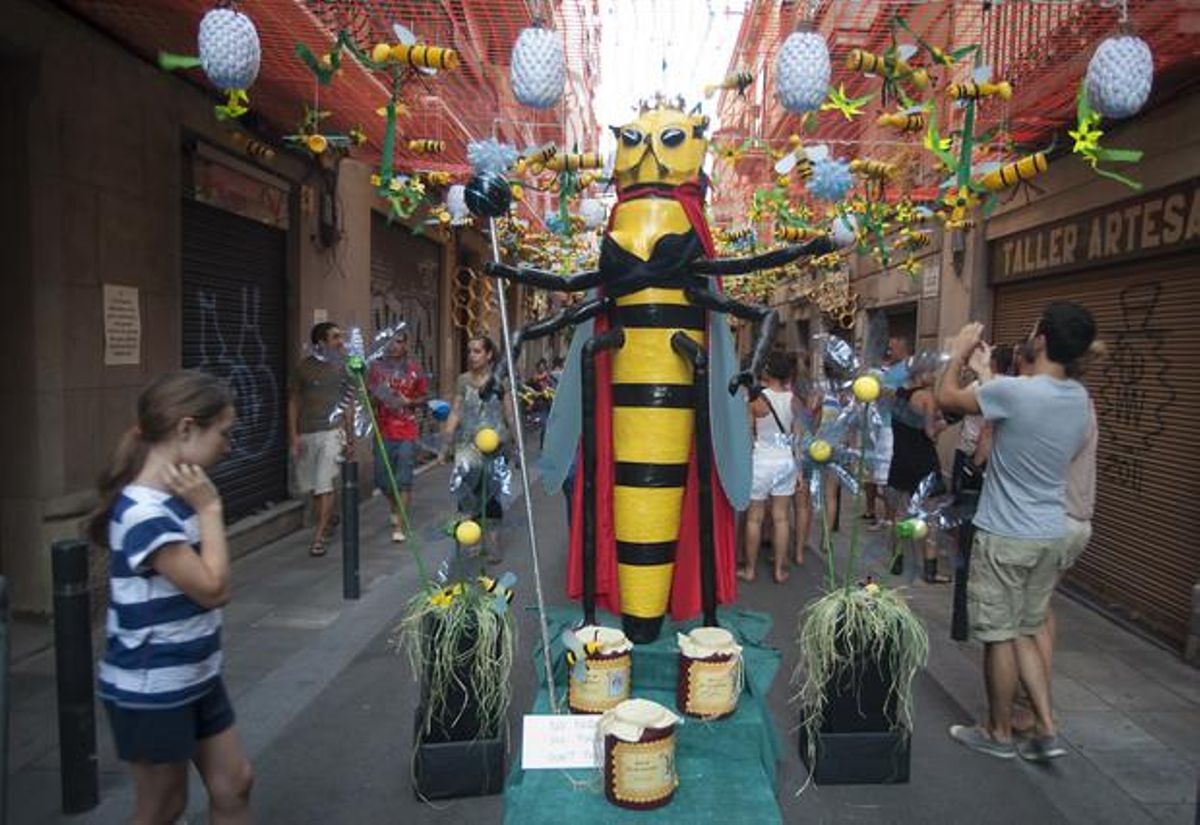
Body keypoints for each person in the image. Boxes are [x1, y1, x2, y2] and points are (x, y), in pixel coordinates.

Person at [87, 371, 253, 824]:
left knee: (234, 783)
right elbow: (213, 589)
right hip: (153, 686)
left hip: (196, 674)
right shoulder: (144, 513)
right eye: (224, 432)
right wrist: (210, 509)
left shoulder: (177, 499)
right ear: (185, 429)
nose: (229, 444)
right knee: (163, 806)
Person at [937, 302, 1096, 763]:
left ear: (1042, 339)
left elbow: (948, 398)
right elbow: (1017, 408)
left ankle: (999, 731)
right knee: (1028, 628)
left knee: (1000, 636)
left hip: (1006, 531)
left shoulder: (1017, 392)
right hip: (1049, 529)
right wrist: (987, 373)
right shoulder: (1078, 399)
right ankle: (1046, 726)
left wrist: (958, 353)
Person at [440, 335, 515, 563]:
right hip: (467, 444)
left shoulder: (500, 380)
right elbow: (455, 411)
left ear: (489, 354)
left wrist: (517, 445)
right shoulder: (463, 381)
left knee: (491, 496)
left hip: (496, 446)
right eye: (470, 351)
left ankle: (491, 543)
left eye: (477, 351)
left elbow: (509, 413)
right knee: (467, 493)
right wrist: (446, 442)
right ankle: (472, 541)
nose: (472, 356)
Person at [288, 322, 348, 557]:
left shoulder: (342, 368)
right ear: (321, 343)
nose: (340, 341)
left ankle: (319, 536)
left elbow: (348, 402)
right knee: (313, 487)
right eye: (335, 337)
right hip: (307, 432)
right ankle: (329, 518)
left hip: (332, 432)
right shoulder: (304, 369)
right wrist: (293, 436)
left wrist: (350, 437)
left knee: (324, 485)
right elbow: (293, 402)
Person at [887, 369, 949, 582]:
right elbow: (930, 433)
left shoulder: (899, 396)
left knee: (900, 514)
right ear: (922, 374)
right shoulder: (927, 397)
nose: (934, 375)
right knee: (930, 516)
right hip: (923, 462)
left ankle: (897, 560)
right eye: (931, 371)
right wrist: (943, 425)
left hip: (901, 459)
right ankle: (930, 571)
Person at [741, 352, 797, 584]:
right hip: (785, 461)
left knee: (754, 518)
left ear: (768, 372)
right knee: (781, 518)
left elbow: (748, 435)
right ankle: (779, 570)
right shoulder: (795, 400)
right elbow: (797, 438)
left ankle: (750, 569)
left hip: (761, 460)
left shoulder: (756, 400)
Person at [367, 329, 428, 543]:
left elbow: (423, 398)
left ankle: (400, 525)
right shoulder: (375, 370)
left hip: (406, 431)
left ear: (405, 345)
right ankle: (394, 506)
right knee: (382, 479)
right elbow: (368, 398)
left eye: (399, 342)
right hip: (383, 431)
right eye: (390, 342)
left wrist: (409, 402)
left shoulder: (414, 370)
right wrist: (377, 399)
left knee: (403, 480)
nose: (394, 346)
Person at [864, 335, 909, 530]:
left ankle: (893, 518)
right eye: (887, 348)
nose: (889, 352)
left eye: (892, 348)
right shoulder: (892, 369)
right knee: (883, 477)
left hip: (893, 427)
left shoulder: (907, 369)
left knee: (888, 477)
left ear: (903, 347)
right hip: (883, 425)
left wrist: (880, 390)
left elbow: (905, 394)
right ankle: (890, 517)